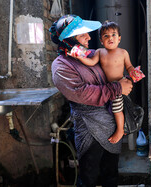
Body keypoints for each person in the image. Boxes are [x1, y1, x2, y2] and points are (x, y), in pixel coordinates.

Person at [49, 15, 133, 187]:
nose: (89, 37)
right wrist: (118, 88)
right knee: (89, 175)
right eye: (82, 35)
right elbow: (83, 94)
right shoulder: (61, 66)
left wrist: (128, 77)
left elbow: (114, 69)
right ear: (68, 40)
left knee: (110, 173)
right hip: (89, 127)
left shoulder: (92, 55)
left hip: (110, 122)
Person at [69, 21, 134, 144]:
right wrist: (80, 57)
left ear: (119, 38)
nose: (110, 38)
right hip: (107, 87)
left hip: (119, 86)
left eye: (114, 35)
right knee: (111, 110)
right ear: (101, 40)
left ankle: (120, 130)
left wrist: (133, 72)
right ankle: (119, 127)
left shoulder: (123, 52)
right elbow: (91, 62)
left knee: (117, 109)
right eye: (106, 36)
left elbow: (129, 66)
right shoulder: (99, 52)